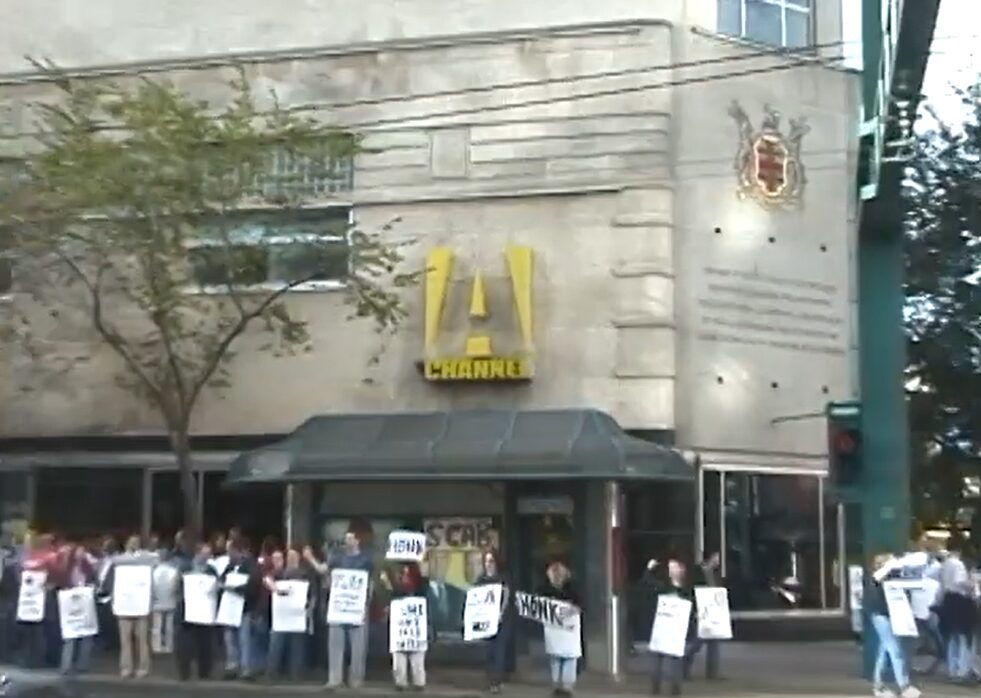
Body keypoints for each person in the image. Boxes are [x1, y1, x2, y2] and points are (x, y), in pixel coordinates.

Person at [307, 530, 374, 690]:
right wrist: (310, 558)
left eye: (350, 538)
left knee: (358, 646)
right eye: (346, 539)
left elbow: (370, 583)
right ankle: (334, 679)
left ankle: (356, 679)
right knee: (335, 644)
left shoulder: (365, 560)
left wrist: (367, 603)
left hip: (357, 607)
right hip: (338, 607)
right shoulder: (337, 559)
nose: (347, 541)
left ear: (357, 541)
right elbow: (323, 570)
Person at [868, 552, 922, 698]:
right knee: (895, 651)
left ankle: (878, 686)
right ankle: (904, 686)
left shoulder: (892, 577)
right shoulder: (878, 578)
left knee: (884, 651)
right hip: (882, 617)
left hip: (887, 617)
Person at [266, 548, 315, 681]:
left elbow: (312, 592)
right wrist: (272, 586)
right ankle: (272, 674)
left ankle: (296, 674)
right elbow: (267, 579)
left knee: (297, 646)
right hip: (281, 615)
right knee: (276, 644)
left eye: (294, 556)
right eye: (289, 556)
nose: (291, 558)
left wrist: (310, 607)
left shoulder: (305, 573)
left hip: (298, 615)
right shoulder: (280, 572)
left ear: (299, 558)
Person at [649, 557, 696, 697]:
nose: (672, 570)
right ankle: (655, 687)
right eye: (670, 568)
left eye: (675, 567)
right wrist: (649, 570)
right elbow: (647, 584)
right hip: (663, 628)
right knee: (658, 658)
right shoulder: (662, 585)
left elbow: (691, 604)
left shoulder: (687, 589)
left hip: (677, 630)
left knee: (676, 659)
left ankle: (675, 689)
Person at [383, 559, 430, 691]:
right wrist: (388, 583)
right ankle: (400, 681)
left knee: (417, 657)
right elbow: (394, 595)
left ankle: (419, 682)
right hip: (401, 624)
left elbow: (424, 591)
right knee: (399, 655)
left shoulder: (419, 580)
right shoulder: (396, 578)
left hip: (416, 623)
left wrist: (424, 573)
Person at [219, 539, 262, 680]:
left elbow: (253, 587)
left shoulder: (252, 565)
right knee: (230, 638)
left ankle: (246, 668)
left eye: (230, 551)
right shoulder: (230, 565)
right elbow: (223, 579)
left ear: (239, 551)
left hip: (245, 608)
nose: (229, 554)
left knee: (244, 639)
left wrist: (233, 589)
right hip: (229, 607)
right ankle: (232, 666)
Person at [175, 543, 218, 681]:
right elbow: (178, 586)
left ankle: (204, 672)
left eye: (209, 554)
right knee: (185, 644)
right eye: (205, 553)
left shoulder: (211, 570)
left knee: (205, 644)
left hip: (205, 612)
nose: (207, 557)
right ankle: (184, 673)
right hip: (187, 612)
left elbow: (215, 586)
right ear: (197, 553)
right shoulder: (185, 567)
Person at [474, 549, 514, 694]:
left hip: (502, 621)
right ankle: (491, 678)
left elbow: (507, 596)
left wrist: (500, 613)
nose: (488, 564)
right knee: (490, 651)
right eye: (486, 561)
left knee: (499, 650)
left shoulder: (503, 578)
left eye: (491, 561)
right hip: (486, 621)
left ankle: (496, 681)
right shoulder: (481, 579)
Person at [539, 561, 582, 697]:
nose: (556, 578)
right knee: (555, 659)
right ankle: (557, 685)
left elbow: (580, 606)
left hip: (568, 632)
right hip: (554, 632)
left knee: (569, 659)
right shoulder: (545, 590)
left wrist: (571, 610)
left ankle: (567, 688)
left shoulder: (572, 589)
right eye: (553, 576)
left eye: (558, 575)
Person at [58, 544, 96, 675]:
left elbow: (93, 582)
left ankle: (83, 664)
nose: (81, 553)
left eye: (83, 551)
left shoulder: (88, 569)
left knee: (86, 635)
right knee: (69, 636)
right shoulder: (67, 569)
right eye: (79, 551)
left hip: (85, 606)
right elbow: (62, 584)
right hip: (70, 607)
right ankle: (66, 666)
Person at [687, 552, 723, 680]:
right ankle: (683, 669)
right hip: (702, 612)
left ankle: (712, 673)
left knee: (714, 643)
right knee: (696, 643)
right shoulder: (699, 572)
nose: (718, 560)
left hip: (712, 612)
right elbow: (695, 591)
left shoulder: (713, 573)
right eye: (716, 557)